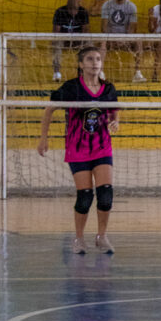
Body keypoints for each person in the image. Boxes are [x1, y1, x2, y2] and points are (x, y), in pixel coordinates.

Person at [37, 46, 119, 255]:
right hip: (78, 148)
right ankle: (79, 239)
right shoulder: (71, 87)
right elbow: (49, 109)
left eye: (98, 59)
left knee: (106, 195)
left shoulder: (108, 88)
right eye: (90, 59)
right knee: (85, 196)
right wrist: (43, 138)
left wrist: (115, 122)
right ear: (81, 64)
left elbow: (114, 111)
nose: (95, 63)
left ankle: (101, 236)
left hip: (102, 147)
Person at [100, 0, 145, 83]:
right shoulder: (107, 5)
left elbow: (133, 28)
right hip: (110, 39)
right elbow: (104, 27)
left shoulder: (131, 6)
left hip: (126, 39)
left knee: (139, 40)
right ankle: (101, 73)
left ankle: (137, 73)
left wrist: (124, 40)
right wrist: (112, 39)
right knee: (102, 41)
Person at [52, 0, 90, 82]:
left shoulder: (83, 12)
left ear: (78, 7)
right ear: (67, 7)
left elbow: (86, 30)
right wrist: (61, 40)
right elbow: (56, 32)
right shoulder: (60, 12)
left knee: (89, 44)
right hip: (64, 39)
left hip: (78, 39)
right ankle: (56, 72)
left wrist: (81, 42)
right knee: (56, 43)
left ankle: (84, 71)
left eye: (75, 9)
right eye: (70, 9)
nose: (73, 12)